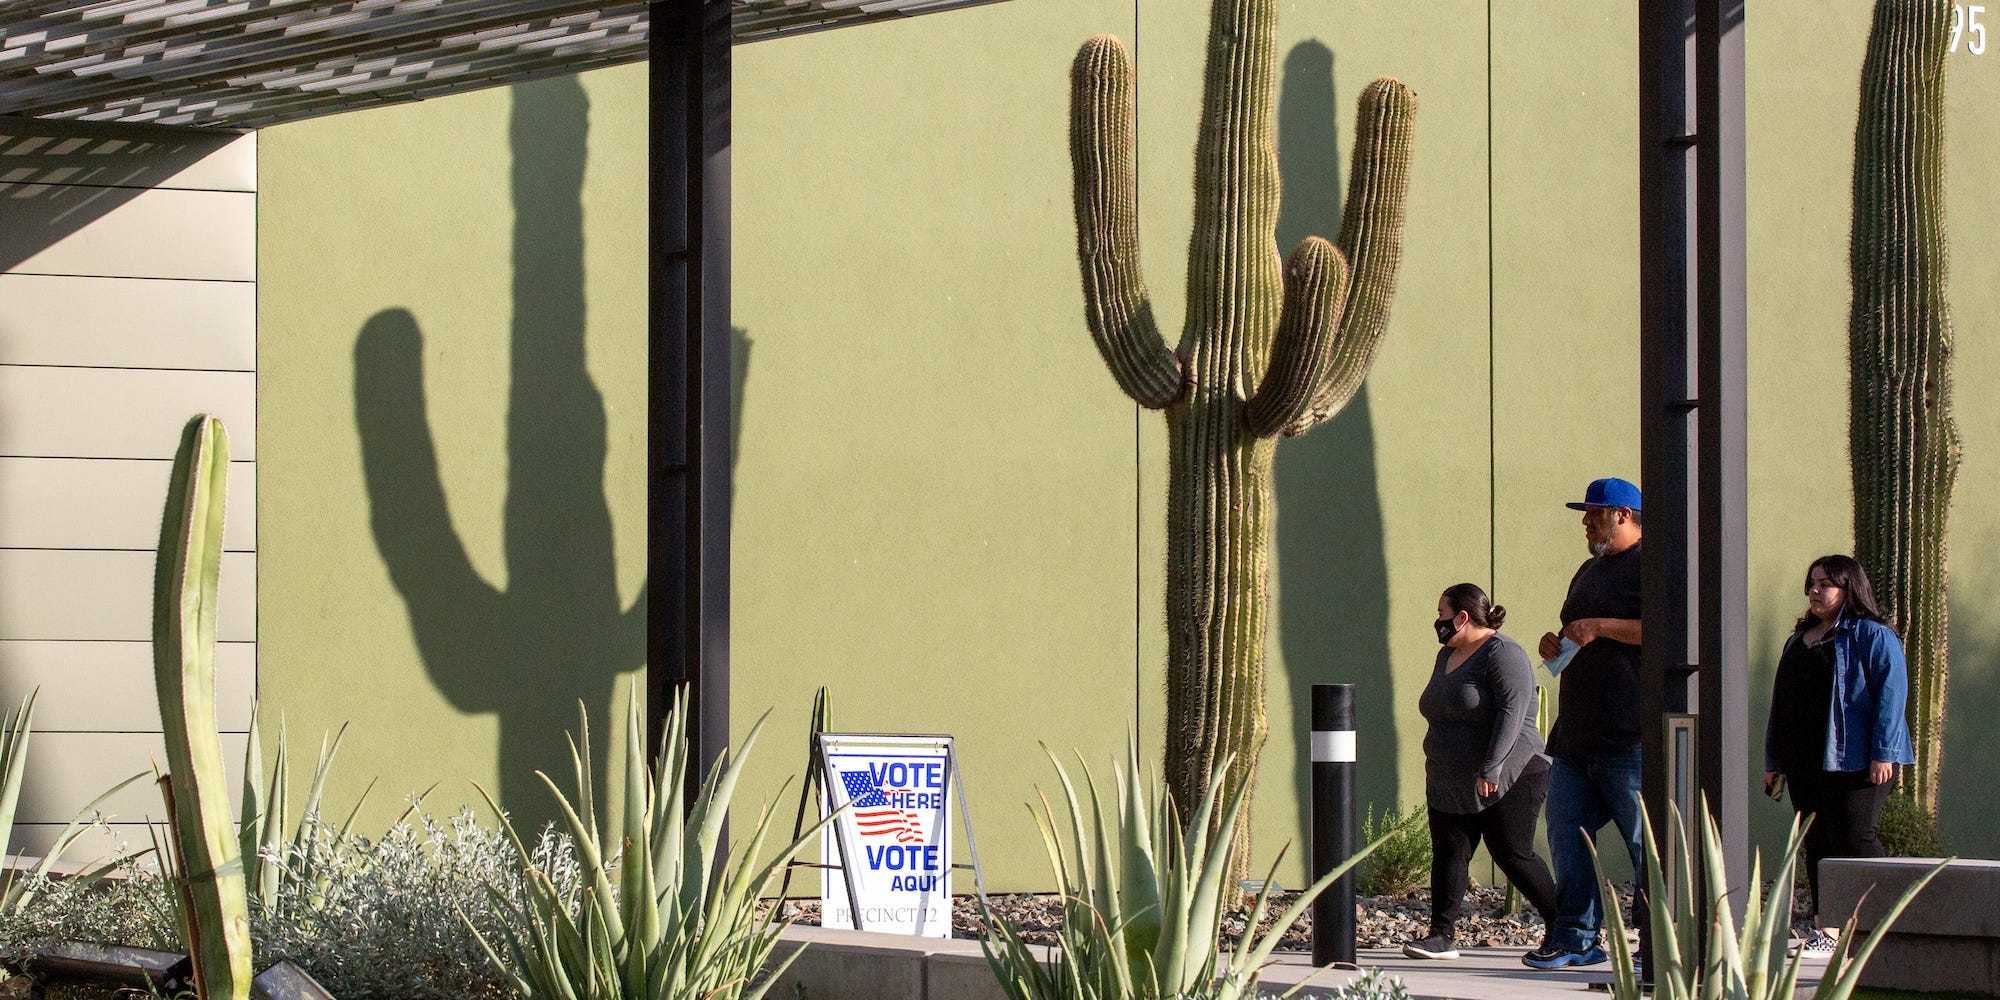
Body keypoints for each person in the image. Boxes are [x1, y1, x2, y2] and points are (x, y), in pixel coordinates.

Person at [1522, 477, 1647, 971]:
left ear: (1622, 514)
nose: (1586, 521)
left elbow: (1669, 630)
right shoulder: (1587, 571)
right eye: (1585, 513)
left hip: (1629, 734)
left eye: (1594, 512)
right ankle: (1576, 937)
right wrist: (1555, 644)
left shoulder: (1654, 565)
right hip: (1575, 735)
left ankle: (1657, 941)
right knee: (1567, 836)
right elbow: (1577, 631)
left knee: (1645, 843)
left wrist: (1600, 627)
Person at [1763, 554, 1913, 958]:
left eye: (1825, 583)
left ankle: (1892, 920)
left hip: (1857, 760)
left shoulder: (1872, 635)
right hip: (1805, 761)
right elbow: (1783, 702)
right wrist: (1773, 761)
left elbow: (1891, 696)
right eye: (1811, 582)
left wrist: (1882, 752)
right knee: (1816, 841)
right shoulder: (1800, 639)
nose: (1815, 590)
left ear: (1849, 588)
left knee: (1855, 836)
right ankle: (1826, 930)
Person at [1402, 583, 1560, 961]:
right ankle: (1440, 937)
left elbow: (1514, 712)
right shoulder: (1448, 655)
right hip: (1450, 776)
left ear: (1462, 616)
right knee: (1449, 853)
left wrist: (1491, 767)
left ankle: (1565, 928)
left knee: (1511, 853)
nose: (1437, 622)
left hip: (1510, 773)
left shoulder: (1503, 654)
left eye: (1441, 615)